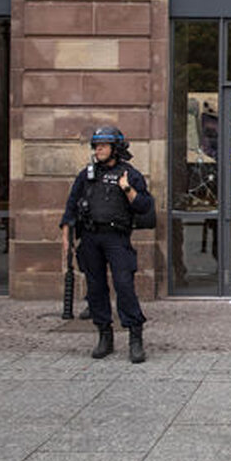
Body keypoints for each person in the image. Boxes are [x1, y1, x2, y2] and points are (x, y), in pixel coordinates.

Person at [61, 126, 154, 363]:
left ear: (116, 148)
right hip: (91, 238)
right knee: (96, 288)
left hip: (117, 238)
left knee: (124, 285)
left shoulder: (129, 174)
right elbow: (71, 206)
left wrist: (127, 189)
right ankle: (104, 335)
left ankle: (135, 337)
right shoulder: (87, 175)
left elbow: (145, 206)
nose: (98, 149)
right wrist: (66, 236)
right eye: (96, 145)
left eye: (103, 145)